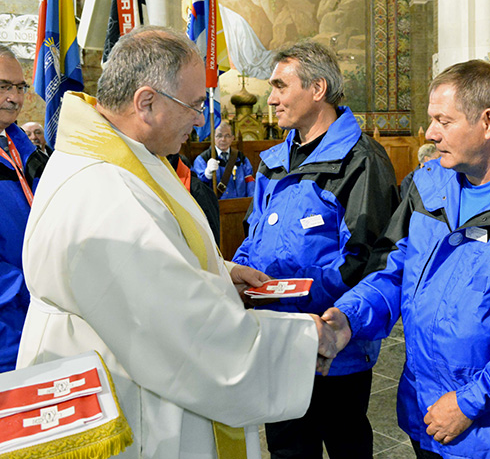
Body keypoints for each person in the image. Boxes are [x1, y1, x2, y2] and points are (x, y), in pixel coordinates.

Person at [17, 26, 337, 459]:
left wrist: (218, 273)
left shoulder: (123, 156)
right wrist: (302, 341)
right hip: (125, 400)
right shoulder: (104, 190)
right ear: (146, 103)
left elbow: (152, 256)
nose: (201, 119)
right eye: (193, 105)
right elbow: (185, 333)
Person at [322, 60, 490, 459]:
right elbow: (393, 268)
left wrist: (469, 403)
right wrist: (349, 318)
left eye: (443, 121)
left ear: (488, 122)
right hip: (425, 412)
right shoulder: (427, 186)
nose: (430, 133)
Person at [232, 41, 399, 459]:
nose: (271, 99)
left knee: (346, 447)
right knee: (287, 449)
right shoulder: (273, 161)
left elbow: (366, 258)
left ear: (318, 88)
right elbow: (254, 236)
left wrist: (292, 295)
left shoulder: (361, 161)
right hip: (276, 338)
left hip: (333, 346)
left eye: (280, 86)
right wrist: (239, 274)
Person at [0, 45, 47, 373]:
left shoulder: (27, 152)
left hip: (40, 319)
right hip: (10, 330)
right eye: (4, 86)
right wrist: (37, 291)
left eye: (19, 87)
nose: (14, 98)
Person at [193, 121, 255, 199]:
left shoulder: (241, 158)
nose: (223, 139)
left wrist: (251, 201)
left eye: (227, 136)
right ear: (213, 137)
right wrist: (207, 175)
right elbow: (198, 187)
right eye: (219, 136)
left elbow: (250, 182)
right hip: (217, 204)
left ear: (232, 138)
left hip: (240, 203)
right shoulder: (203, 159)